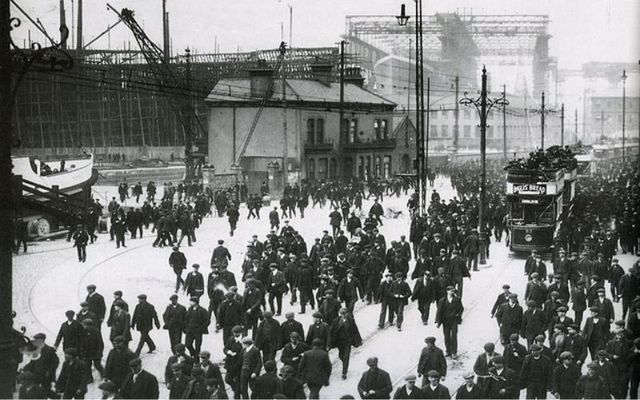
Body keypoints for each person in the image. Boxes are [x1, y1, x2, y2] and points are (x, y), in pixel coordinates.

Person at [330, 307, 362, 379]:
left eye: (344, 314)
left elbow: (355, 330)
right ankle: (345, 363)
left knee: (346, 356)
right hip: (339, 342)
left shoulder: (351, 320)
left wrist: (359, 340)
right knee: (341, 355)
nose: (343, 315)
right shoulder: (336, 321)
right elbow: (331, 330)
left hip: (348, 342)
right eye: (341, 314)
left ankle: (344, 373)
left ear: (347, 314)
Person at [436, 285, 464, 358]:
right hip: (445, 321)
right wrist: (438, 321)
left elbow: (461, 308)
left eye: (453, 291)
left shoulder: (457, 299)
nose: (452, 292)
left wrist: (458, 315)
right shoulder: (442, 300)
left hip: (454, 320)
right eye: (451, 290)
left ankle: (454, 352)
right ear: (447, 291)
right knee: (446, 336)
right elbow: (439, 311)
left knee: (454, 336)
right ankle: (448, 350)